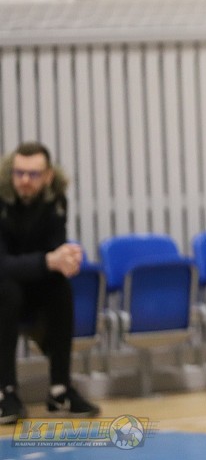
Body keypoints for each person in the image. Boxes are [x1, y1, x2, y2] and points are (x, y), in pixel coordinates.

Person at [0, 142, 100, 424]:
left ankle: (60, 389)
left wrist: (67, 258)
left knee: (60, 289)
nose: (24, 180)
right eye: (19, 173)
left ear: (47, 176)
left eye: (33, 174)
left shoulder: (55, 200)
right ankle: (5, 391)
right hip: (4, 285)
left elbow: (55, 249)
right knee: (7, 291)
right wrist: (48, 260)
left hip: (34, 280)